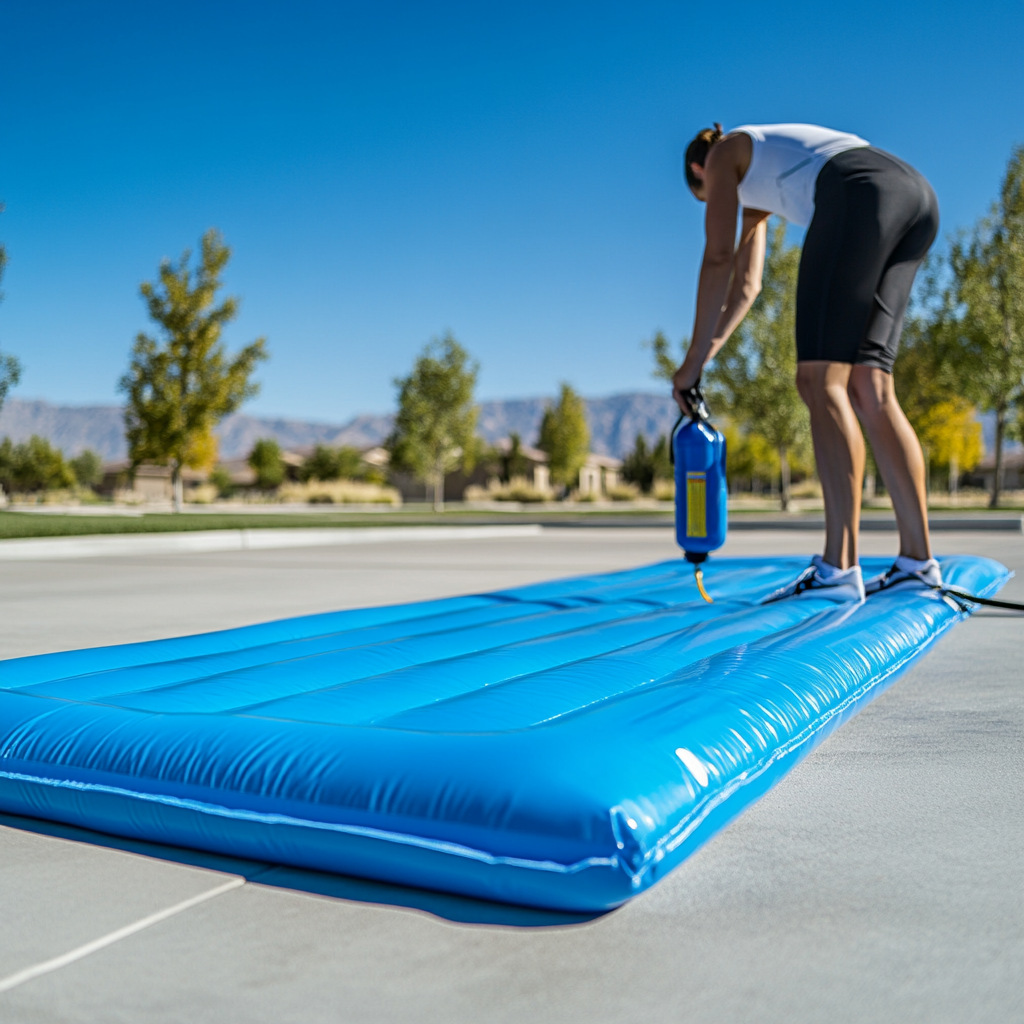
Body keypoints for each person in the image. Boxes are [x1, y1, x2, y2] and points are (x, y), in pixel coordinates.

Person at [673, 122, 942, 602]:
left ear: (699, 170)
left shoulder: (723, 155)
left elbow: (718, 258)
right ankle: (918, 565)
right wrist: (703, 359)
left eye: (708, 197)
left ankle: (838, 568)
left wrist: (689, 365)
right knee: (871, 387)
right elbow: (747, 285)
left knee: (820, 381)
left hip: (858, 190)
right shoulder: (756, 181)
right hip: (915, 197)